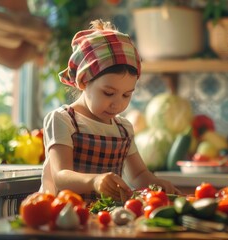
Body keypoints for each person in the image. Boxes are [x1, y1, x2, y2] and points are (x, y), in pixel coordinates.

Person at [39, 19, 180, 202]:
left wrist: (157, 184)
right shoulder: (63, 120)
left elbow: (138, 175)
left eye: (126, 95)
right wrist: (94, 181)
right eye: (108, 93)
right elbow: (61, 176)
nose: (117, 104)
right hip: (66, 216)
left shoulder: (123, 128)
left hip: (107, 218)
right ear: (83, 81)